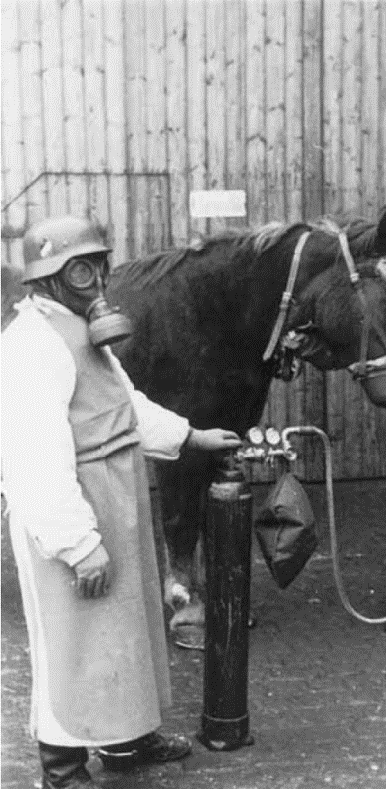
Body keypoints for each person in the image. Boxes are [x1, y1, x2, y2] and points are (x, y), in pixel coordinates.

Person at [1, 215, 242, 789]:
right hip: (74, 508)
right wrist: (78, 545)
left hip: (117, 496)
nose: (97, 282)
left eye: (99, 266)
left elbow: (124, 406)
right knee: (74, 641)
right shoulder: (31, 343)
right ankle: (62, 767)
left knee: (126, 627)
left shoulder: (81, 328)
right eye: (80, 270)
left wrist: (190, 437)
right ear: (47, 277)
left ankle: (126, 737)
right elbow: (34, 459)